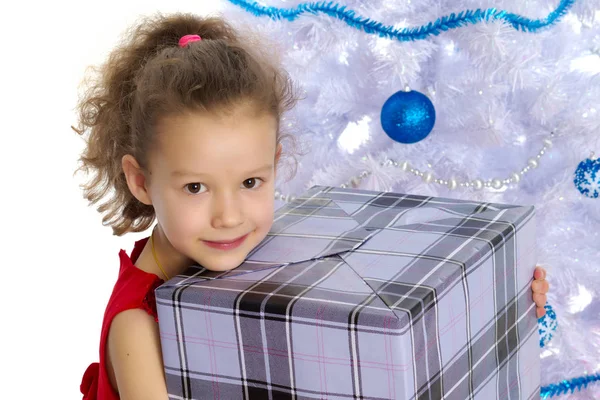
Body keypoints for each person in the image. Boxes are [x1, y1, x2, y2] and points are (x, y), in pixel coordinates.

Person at [74, 12, 550, 400]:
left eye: (250, 182)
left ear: (275, 164)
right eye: (196, 187)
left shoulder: (245, 255)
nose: (229, 215)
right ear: (141, 180)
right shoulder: (137, 328)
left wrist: (503, 301)